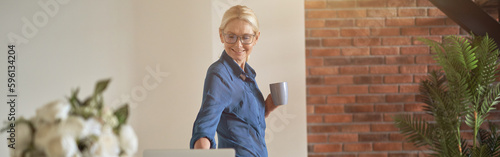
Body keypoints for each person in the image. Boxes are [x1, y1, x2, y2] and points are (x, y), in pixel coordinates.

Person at [189, 5, 279, 157]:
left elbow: (240, 120)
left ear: (256, 38)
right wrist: (201, 152)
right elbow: (204, 128)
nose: (238, 44)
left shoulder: (246, 74)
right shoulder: (219, 75)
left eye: (245, 37)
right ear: (221, 35)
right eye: (231, 36)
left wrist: (267, 108)